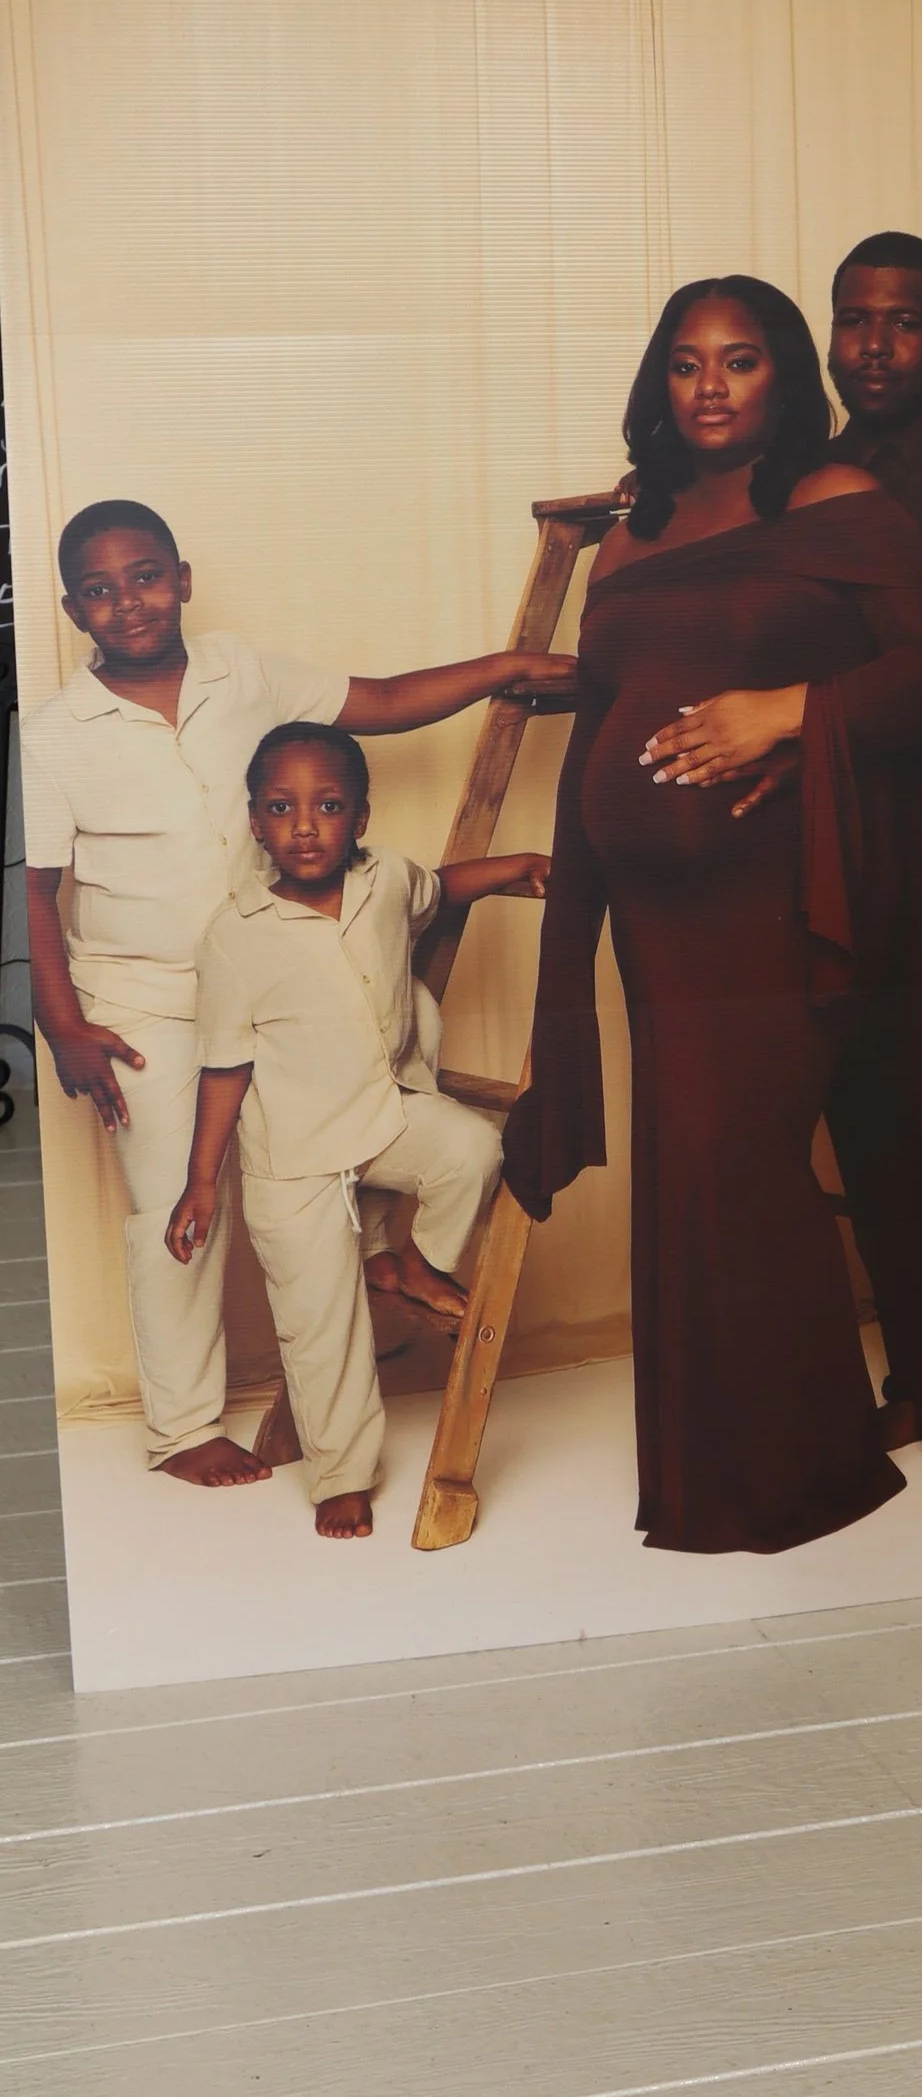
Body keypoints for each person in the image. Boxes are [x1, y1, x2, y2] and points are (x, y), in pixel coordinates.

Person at [502, 275, 922, 1554]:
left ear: (786, 378)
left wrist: (789, 712)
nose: (711, 387)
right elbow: (608, 705)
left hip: (770, 893)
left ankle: (792, 1476)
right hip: (650, 909)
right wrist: (582, 888)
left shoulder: (836, 503)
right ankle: (717, 1467)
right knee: (690, 1173)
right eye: (688, 363)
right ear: (659, 379)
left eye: (743, 361)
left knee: (737, 1164)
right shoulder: (633, 532)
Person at [21, 501, 573, 1489]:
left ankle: (368, 1292)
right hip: (139, 999)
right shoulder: (62, 732)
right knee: (175, 1201)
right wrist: (62, 1023)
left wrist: (507, 669)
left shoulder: (243, 672)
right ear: (72, 609)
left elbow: (385, 700)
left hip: (275, 979)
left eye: (146, 576)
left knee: (329, 1149)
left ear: (182, 578)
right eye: (100, 591)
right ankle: (183, 1426)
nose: (129, 603)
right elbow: (37, 886)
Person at [643, 234, 922, 1519]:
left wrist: (786, 715)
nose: (876, 347)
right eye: (855, 322)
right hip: (836, 860)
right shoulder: (793, 476)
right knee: (870, 1131)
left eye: (905, 323)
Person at [169, 725, 547, 1541]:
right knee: (319, 1321)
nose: (305, 825)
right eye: (282, 808)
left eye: (328, 806)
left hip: (383, 1113)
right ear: (257, 821)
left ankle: (412, 1262)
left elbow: (444, 890)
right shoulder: (235, 935)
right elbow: (225, 1069)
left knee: (475, 1148)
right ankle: (341, 1474)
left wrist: (515, 865)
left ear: (361, 818)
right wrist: (202, 1180)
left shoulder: (387, 883)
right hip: (293, 1155)